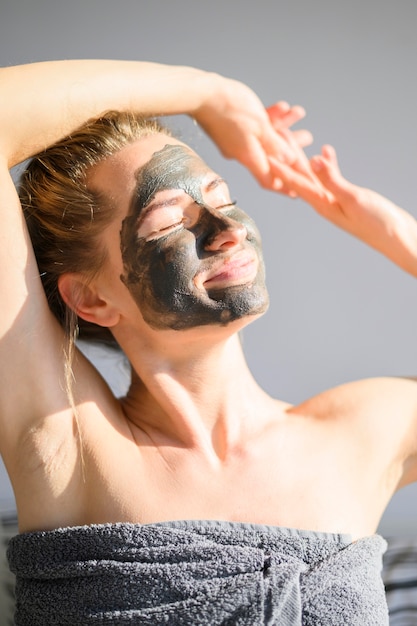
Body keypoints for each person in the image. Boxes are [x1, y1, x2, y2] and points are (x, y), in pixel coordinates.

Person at [0, 59, 416, 626]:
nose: (228, 229)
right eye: (170, 220)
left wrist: (394, 232)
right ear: (93, 299)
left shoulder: (360, 435)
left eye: (223, 196)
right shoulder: (70, 446)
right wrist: (209, 94)